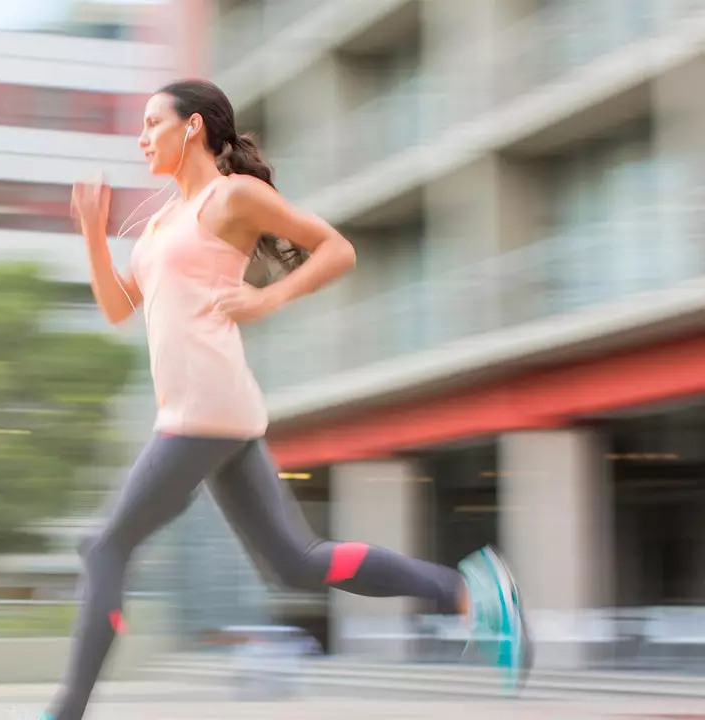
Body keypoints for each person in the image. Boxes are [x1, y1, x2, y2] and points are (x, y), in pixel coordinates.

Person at [41, 79, 531, 720]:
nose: (141, 137)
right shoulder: (161, 221)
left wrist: (265, 298)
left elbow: (337, 248)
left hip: (205, 406)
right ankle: (469, 592)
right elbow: (117, 307)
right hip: (217, 411)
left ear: (192, 128)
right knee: (297, 565)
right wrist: (94, 236)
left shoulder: (232, 196)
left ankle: (66, 711)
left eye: (152, 123)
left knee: (105, 546)